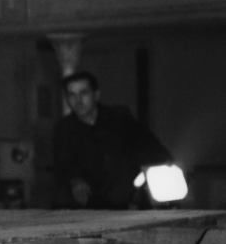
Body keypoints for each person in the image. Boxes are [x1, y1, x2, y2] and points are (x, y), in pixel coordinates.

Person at [53, 71, 172, 210]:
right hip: (91, 204)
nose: (78, 100)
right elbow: (63, 164)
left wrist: (169, 163)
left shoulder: (119, 117)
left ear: (96, 94)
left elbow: (148, 144)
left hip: (127, 200)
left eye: (84, 93)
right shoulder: (64, 129)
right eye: (72, 95)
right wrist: (75, 181)